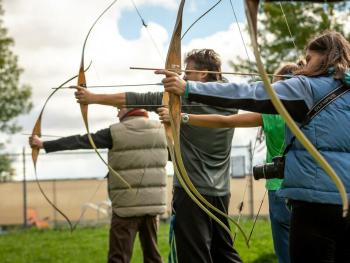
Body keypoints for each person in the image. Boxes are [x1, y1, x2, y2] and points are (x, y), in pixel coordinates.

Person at [158, 31, 350, 263]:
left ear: (326, 57)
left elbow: (250, 92)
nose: (305, 65)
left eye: (309, 59)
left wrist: (188, 87)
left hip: (314, 204)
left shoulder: (306, 87)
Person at [74, 49, 243, 263]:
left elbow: (137, 98)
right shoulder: (232, 99)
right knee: (224, 253)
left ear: (203, 74)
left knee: (194, 255)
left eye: (187, 73)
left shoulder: (186, 103)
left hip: (192, 193)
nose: (182, 78)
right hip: (220, 192)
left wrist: (92, 97)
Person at [158, 62, 302, 263]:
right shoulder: (312, 111)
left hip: (279, 188)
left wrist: (182, 117)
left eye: (275, 87)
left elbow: (225, 121)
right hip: (308, 189)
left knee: (286, 255)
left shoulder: (272, 115)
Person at [29, 108, 168, 263]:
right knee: (153, 257)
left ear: (129, 108)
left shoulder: (115, 132)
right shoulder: (162, 130)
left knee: (118, 258)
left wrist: (43, 144)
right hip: (153, 207)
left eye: (119, 109)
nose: (117, 114)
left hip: (126, 208)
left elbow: (80, 141)